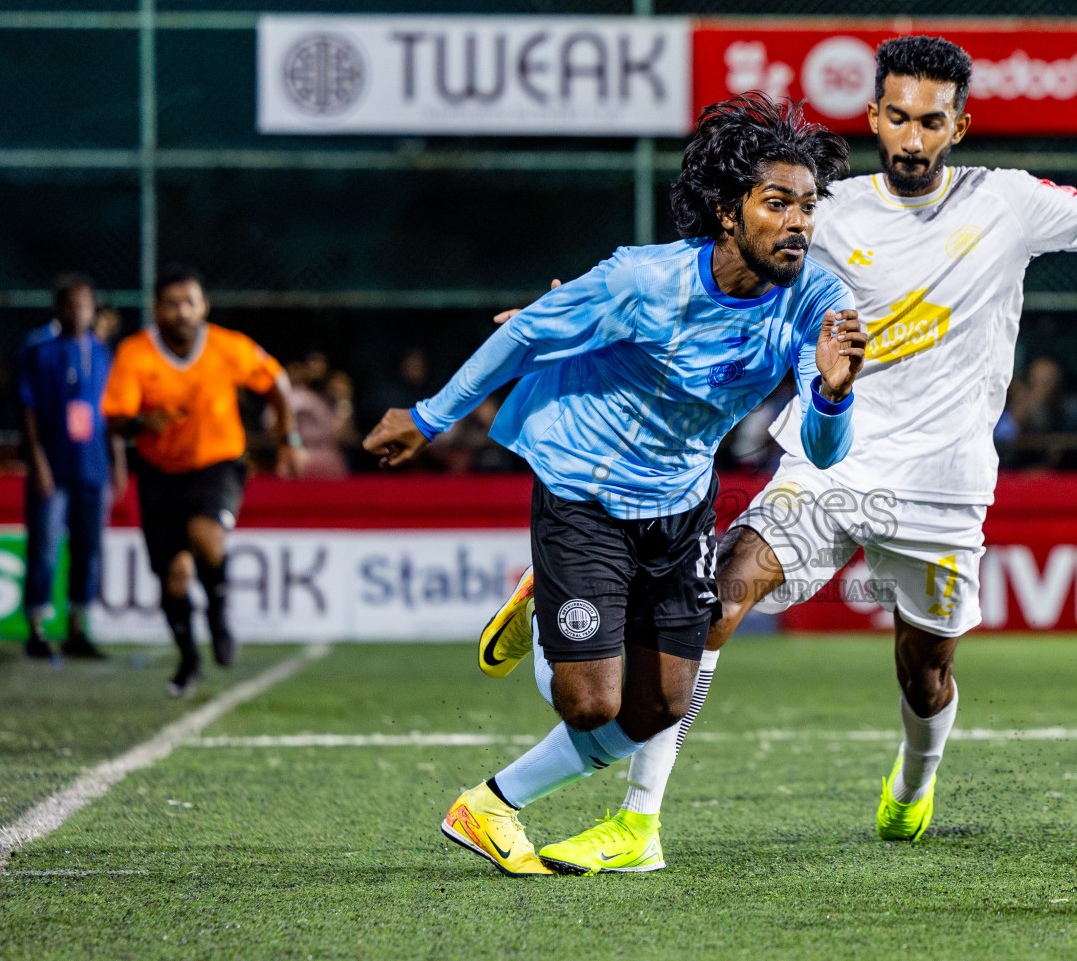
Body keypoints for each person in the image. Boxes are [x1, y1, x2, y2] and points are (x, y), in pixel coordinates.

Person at [491, 34, 1077, 874]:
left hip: (945, 489)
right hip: (829, 465)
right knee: (716, 601)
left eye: (931, 121)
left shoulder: (1010, 201)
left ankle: (914, 782)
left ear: (961, 126)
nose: (913, 138)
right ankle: (638, 824)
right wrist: (568, 316)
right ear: (872, 117)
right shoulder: (823, 209)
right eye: (898, 117)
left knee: (928, 670)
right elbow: (702, 269)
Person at [361, 93, 866, 877]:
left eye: (808, 206)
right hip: (584, 495)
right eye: (778, 204)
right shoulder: (643, 280)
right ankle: (546, 615)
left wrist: (833, 395)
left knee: (662, 703)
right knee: (590, 704)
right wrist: (428, 419)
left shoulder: (819, 302)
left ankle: (488, 805)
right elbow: (528, 332)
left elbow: (828, 452)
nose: (800, 222)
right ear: (729, 213)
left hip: (680, 509)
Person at [100, 265, 307, 697]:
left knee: (207, 538)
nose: (181, 312)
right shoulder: (136, 353)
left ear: (203, 306)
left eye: (189, 302)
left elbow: (276, 382)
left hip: (218, 463)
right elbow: (115, 421)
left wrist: (288, 437)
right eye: (171, 304)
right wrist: (140, 423)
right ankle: (189, 660)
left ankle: (217, 611)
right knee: (174, 575)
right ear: (156, 309)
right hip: (159, 472)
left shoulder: (227, 348)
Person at [15, 276, 126, 660]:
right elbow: (27, 409)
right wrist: (39, 462)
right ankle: (37, 629)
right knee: (45, 547)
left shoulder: (101, 352)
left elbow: (110, 412)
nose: (80, 312)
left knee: (88, 549)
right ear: (59, 308)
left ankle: (78, 628)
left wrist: (118, 462)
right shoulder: (39, 350)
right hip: (54, 467)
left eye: (86, 305)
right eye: (73, 305)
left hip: (93, 468)